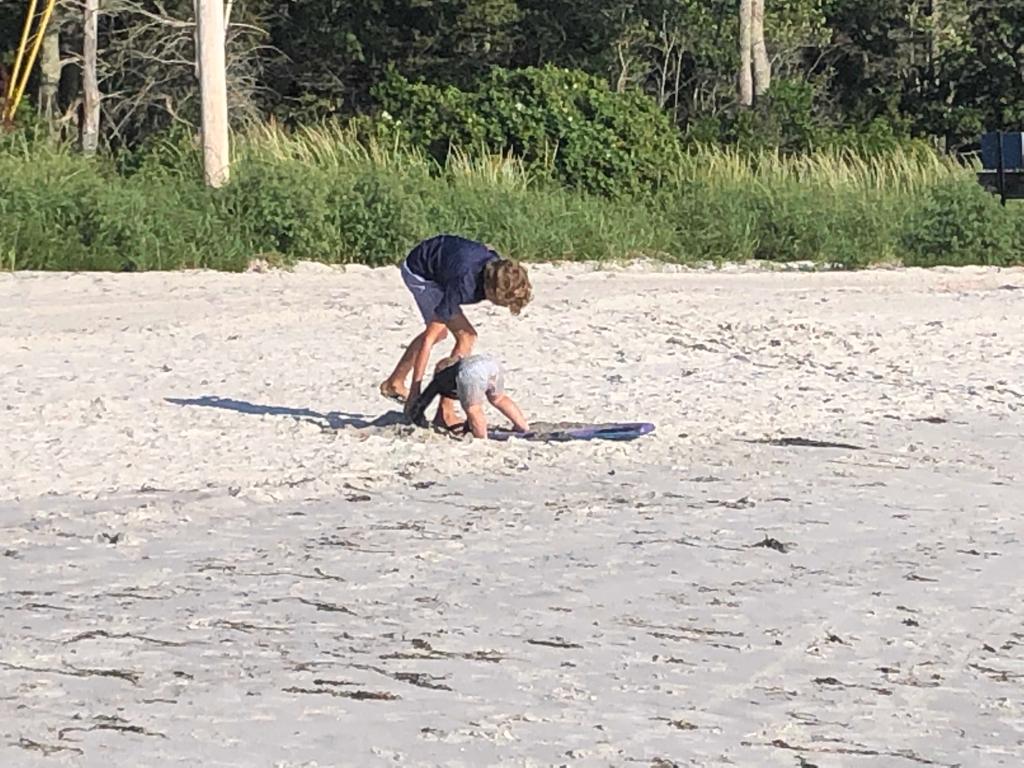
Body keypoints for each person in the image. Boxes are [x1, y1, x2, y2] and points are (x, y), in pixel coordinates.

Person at [378, 234, 532, 412]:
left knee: (460, 334)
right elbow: (429, 338)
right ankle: (444, 409)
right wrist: (415, 392)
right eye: (501, 302)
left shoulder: (497, 269)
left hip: (445, 261)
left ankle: (396, 383)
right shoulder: (463, 284)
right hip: (420, 272)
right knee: (450, 334)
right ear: (490, 290)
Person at [407, 354, 529, 440]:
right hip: (490, 362)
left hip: (471, 371)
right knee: (499, 398)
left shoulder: (441, 378)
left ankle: (481, 439)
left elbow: (423, 400)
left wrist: (416, 420)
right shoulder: (461, 361)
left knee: (473, 409)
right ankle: (522, 426)